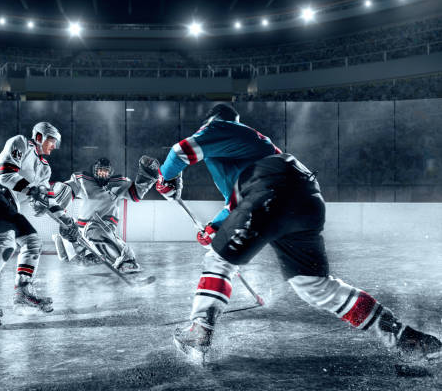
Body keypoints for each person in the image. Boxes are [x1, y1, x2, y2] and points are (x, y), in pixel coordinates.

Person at [156, 103, 441, 363]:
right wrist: (216, 229)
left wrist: (167, 179)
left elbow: (180, 151)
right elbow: (239, 204)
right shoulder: (255, 147)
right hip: (303, 196)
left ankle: (199, 330)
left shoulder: (220, 126)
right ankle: (407, 339)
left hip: (269, 190)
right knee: (315, 286)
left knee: (218, 261)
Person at [0, 122, 79, 327]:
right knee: (6, 243)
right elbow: (6, 174)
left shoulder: (45, 169)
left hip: (10, 203)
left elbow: (46, 199)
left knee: (32, 242)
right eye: (51, 141)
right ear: (39, 137)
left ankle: (23, 292)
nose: (54, 146)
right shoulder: (20, 143)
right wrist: (32, 191)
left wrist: (66, 220)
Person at [52, 156, 159, 272]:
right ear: (94, 171)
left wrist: (147, 176)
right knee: (67, 240)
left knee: (93, 229)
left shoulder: (119, 183)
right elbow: (67, 189)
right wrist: (55, 198)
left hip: (102, 227)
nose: (103, 174)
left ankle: (127, 261)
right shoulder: (83, 180)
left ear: (110, 172)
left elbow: (136, 194)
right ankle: (94, 254)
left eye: (105, 171)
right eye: (100, 171)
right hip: (81, 231)